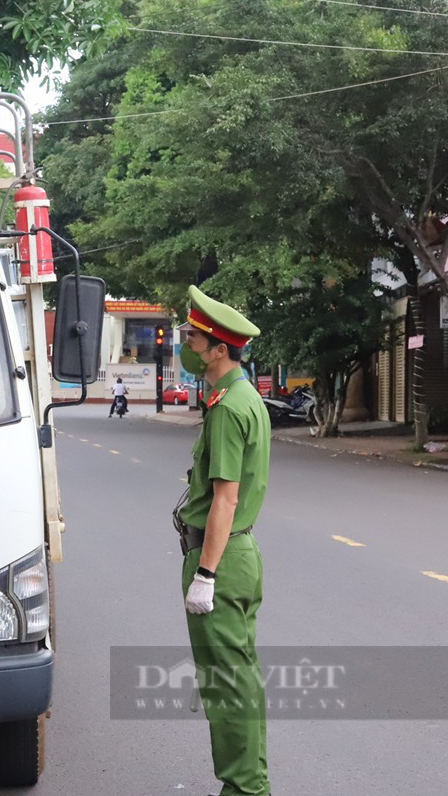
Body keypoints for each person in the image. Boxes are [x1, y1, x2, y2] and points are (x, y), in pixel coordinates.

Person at [172, 284, 271, 796]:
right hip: (238, 555)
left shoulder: (231, 407)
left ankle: (245, 791)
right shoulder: (238, 397)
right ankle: (250, 785)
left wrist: (205, 575)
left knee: (228, 687)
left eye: (192, 338)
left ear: (218, 349)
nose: (185, 344)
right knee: (240, 681)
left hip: (221, 557)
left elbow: (225, 501)